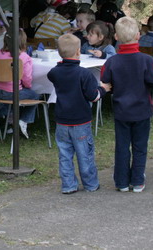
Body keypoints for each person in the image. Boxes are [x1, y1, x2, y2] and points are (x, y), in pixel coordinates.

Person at [100, 17, 153, 193]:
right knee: (140, 146)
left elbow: (105, 81)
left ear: (116, 37)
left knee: (122, 146)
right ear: (138, 35)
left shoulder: (111, 62)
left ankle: (121, 182)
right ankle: (137, 181)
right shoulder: (147, 60)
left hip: (121, 110)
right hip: (142, 109)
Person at [47, 34, 110, 194]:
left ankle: (68, 185)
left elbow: (51, 74)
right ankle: (90, 183)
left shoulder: (55, 72)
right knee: (85, 154)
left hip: (62, 120)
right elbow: (93, 96)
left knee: (65, 154)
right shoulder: (84, 74)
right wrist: (103, 89)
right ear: (78, 52)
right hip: (81, 120)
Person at [0, 30, 38, 138]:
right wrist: (28, 87)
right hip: (12, 93)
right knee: (35, 95)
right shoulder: (23, 57)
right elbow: (26, 79)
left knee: (15, 96)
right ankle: (24, 120)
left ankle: (10, 120)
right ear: (23, 42)